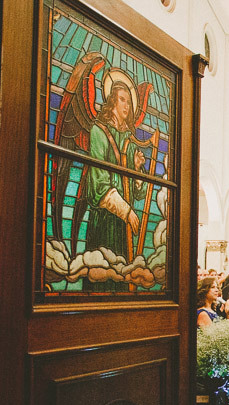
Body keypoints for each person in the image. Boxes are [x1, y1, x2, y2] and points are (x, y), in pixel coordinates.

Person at [84, 80, 146, 292]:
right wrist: (126, 211)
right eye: (122, 100)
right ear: (111, 101)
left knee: (122, 278)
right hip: (104, 219)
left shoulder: (128, 139)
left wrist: (137, 170)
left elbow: (137, 193)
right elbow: (99, 183)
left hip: (123, 225)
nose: (126, 106)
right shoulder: (99, 132)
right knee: (103, 278)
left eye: (129, 102)